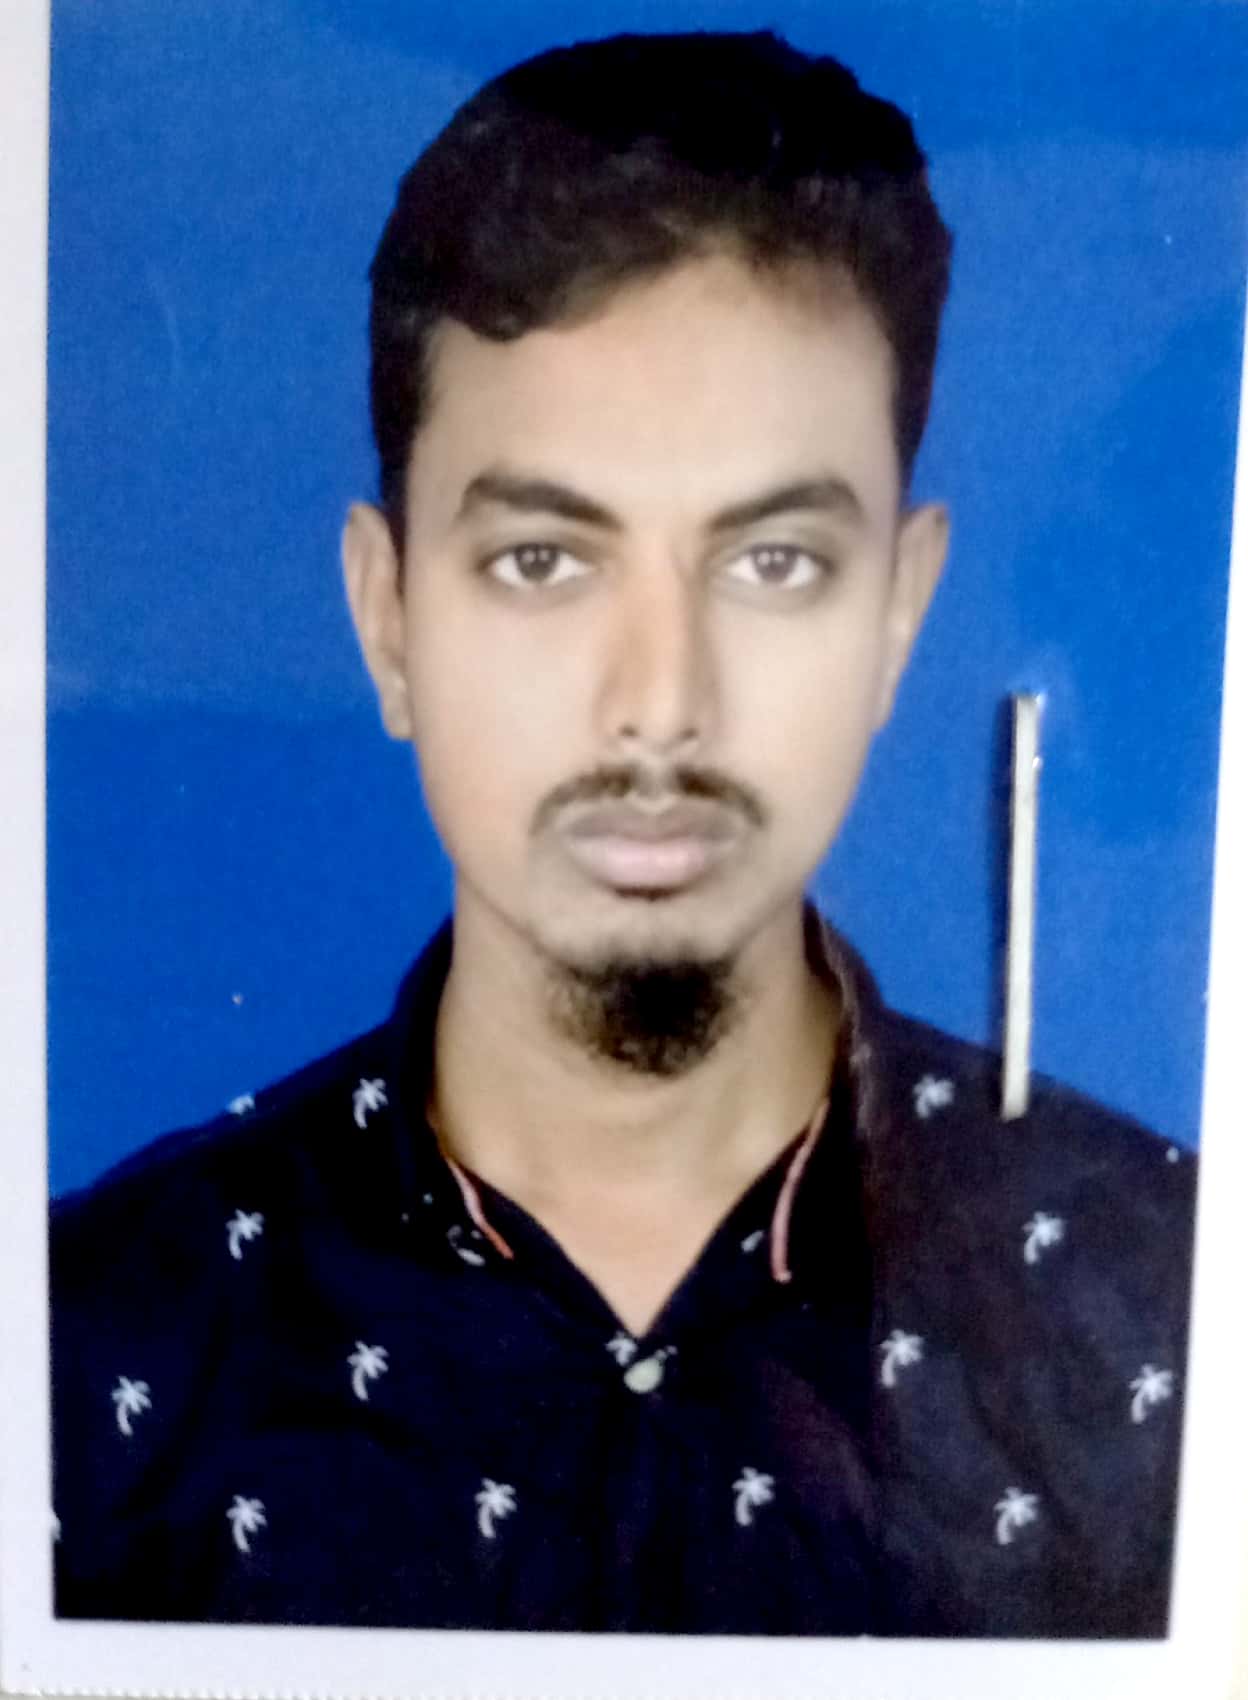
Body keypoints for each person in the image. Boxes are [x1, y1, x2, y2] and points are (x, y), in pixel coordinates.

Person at [50, 29, 1195, 1637]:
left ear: (899, 614)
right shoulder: (88, 1356)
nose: (659, 704)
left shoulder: (1173, 1313)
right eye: (543, 560)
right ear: (387, 620)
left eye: (774, 562)